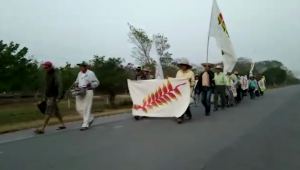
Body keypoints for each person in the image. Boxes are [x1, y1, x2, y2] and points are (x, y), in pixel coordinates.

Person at [34, 61, 66, 134]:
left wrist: (59, 96)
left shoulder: (55, 74)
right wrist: (44, 96)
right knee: (55, 111)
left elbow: (60, 85)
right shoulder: (47, 75)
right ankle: (62, 124)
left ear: (50, 67)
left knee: (48, 111)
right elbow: (46, 86)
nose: (45, 69)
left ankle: (42, 128)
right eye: (45, 68)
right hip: (48, 96)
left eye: (46, 68)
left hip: (53, 96)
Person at [74, 61, 99, 131]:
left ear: (85, 67)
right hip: (80, 92)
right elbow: (77, 81)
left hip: (88, 91)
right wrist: (76, 84)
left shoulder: (91, 73)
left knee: (86, 108)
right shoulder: (79, 74)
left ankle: (85, 124)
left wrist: (91, 84)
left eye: (82, 66)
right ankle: (90, 118)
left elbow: (97, 82)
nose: (81, 68)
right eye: (80, 66)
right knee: (78, 108)